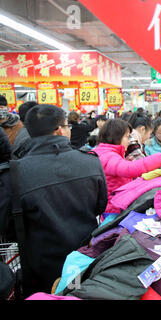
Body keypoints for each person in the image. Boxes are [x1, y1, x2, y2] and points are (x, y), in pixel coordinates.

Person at [0, 104, 108, 295]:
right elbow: (100, 206)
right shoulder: (90, 162)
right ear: (59, 129)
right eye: (68, 126)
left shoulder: (14, 173)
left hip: (38, 268)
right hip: (84, 259)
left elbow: (7, 227)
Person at [93, 119, 161, 214]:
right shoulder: (108, 156)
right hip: (112, 209)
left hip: (115, 204)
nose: (129, 141)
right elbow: (130, 169)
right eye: (127, 137)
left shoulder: (106, 152)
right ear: (117, 136)